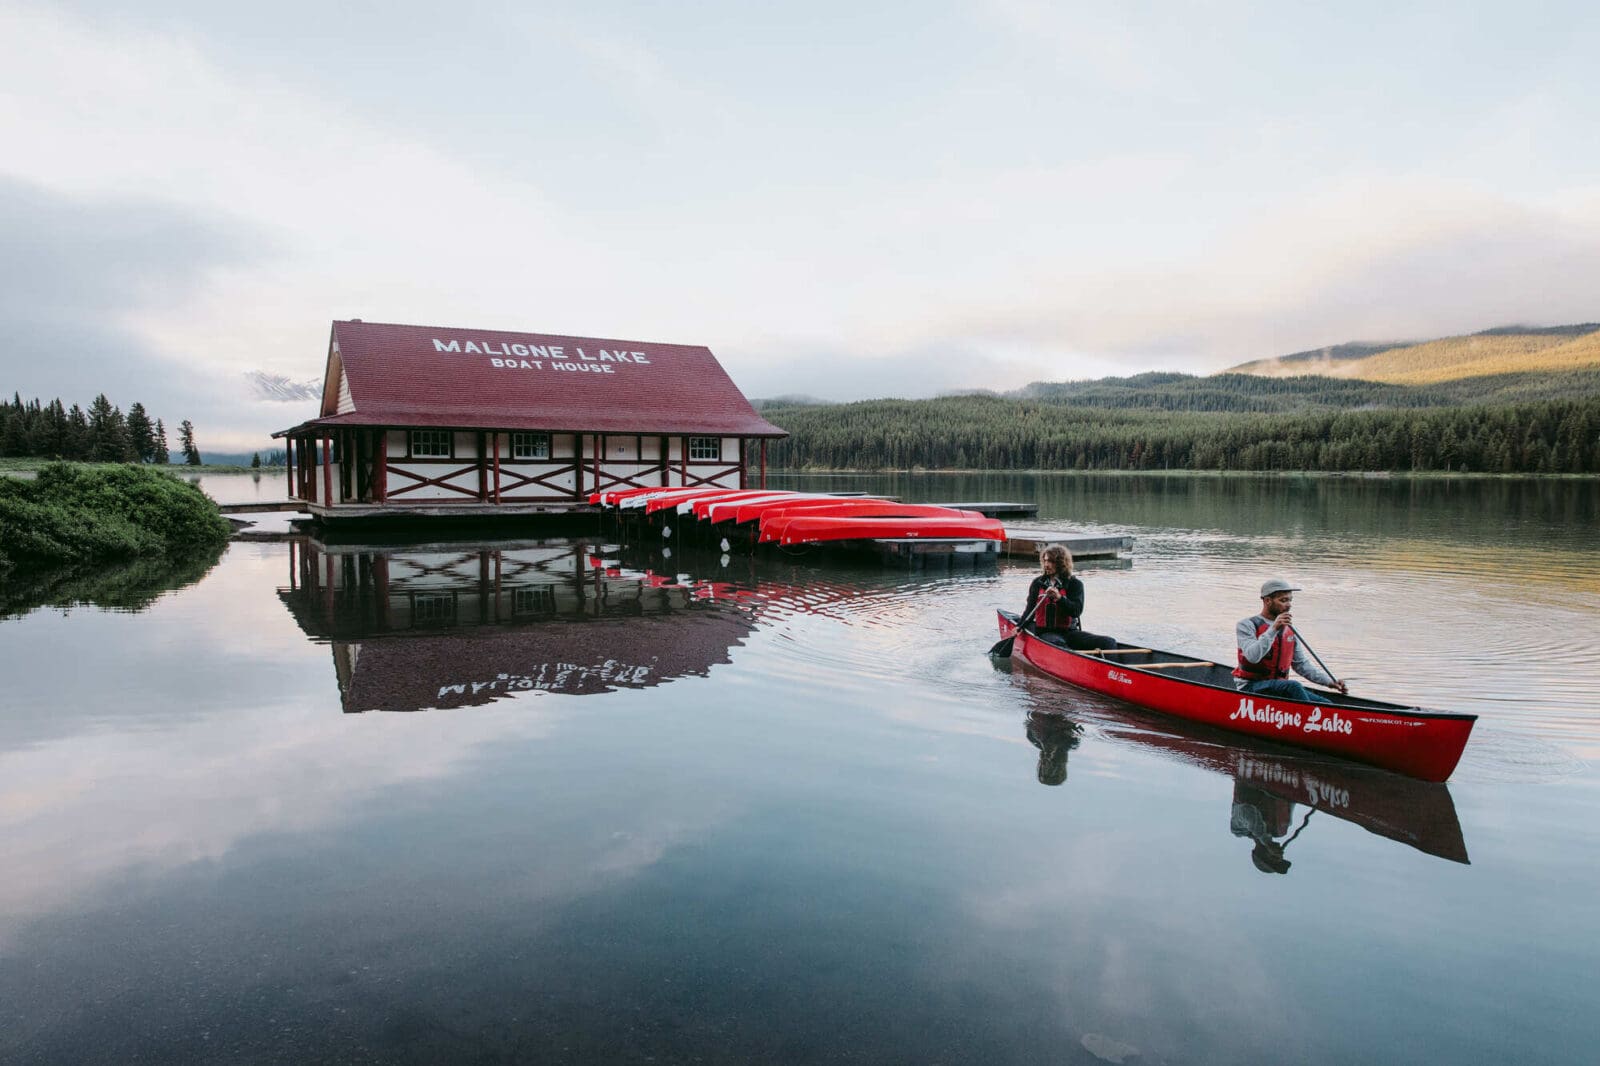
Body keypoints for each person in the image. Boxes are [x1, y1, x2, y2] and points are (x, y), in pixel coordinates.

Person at [1234, 578, 1347, 702]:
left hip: (1279, 688)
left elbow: (1301, 665)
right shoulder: (1246, 625)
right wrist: (1274, 629)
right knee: (1293, 686)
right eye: (1283, 600)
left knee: (1326, 704)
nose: (1288, 605)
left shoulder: (1289, 630)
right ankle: (1308, 717)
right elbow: (1252, 656)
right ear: (1267, 601)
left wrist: (1329, 682)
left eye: (1290, 600)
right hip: (1251, 687)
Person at [1021, 544, 1116, 652]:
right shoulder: (1038, 583)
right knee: (1059, 644)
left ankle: (1111, 668)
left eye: (1051, 561)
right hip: (1046, 633)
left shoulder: (1075, 584)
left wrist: (1060, 598)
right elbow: (1030, 611)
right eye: (1045, 561)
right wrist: (1019, 627)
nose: (1046, 565)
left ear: (1061, 563)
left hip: (1070, 633)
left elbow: (1076, 611)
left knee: (1109, 642)